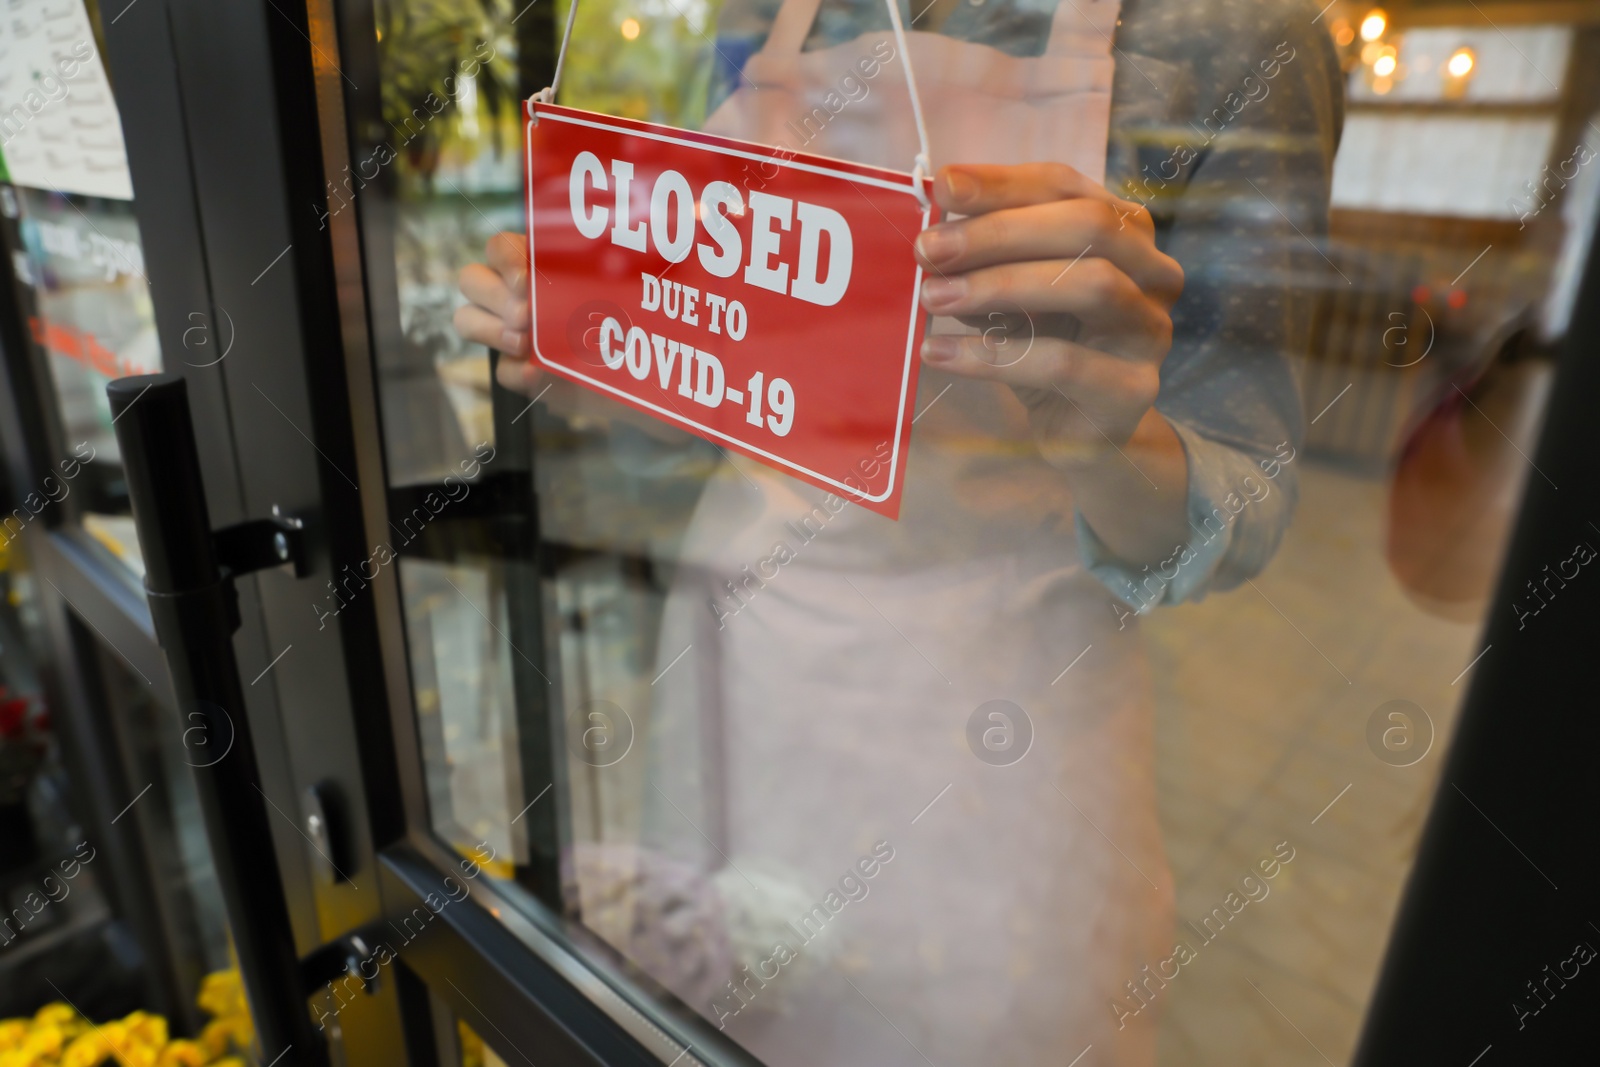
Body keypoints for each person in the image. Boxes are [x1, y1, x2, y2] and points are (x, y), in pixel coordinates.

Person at [456, 0, 1343, 1062]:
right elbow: (739, 375)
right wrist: (603, 355)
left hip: (1000, 717)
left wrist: (1106, 433)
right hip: (736, 666)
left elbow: (1247, 496)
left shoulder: (1232, 30)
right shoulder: (752, 13)